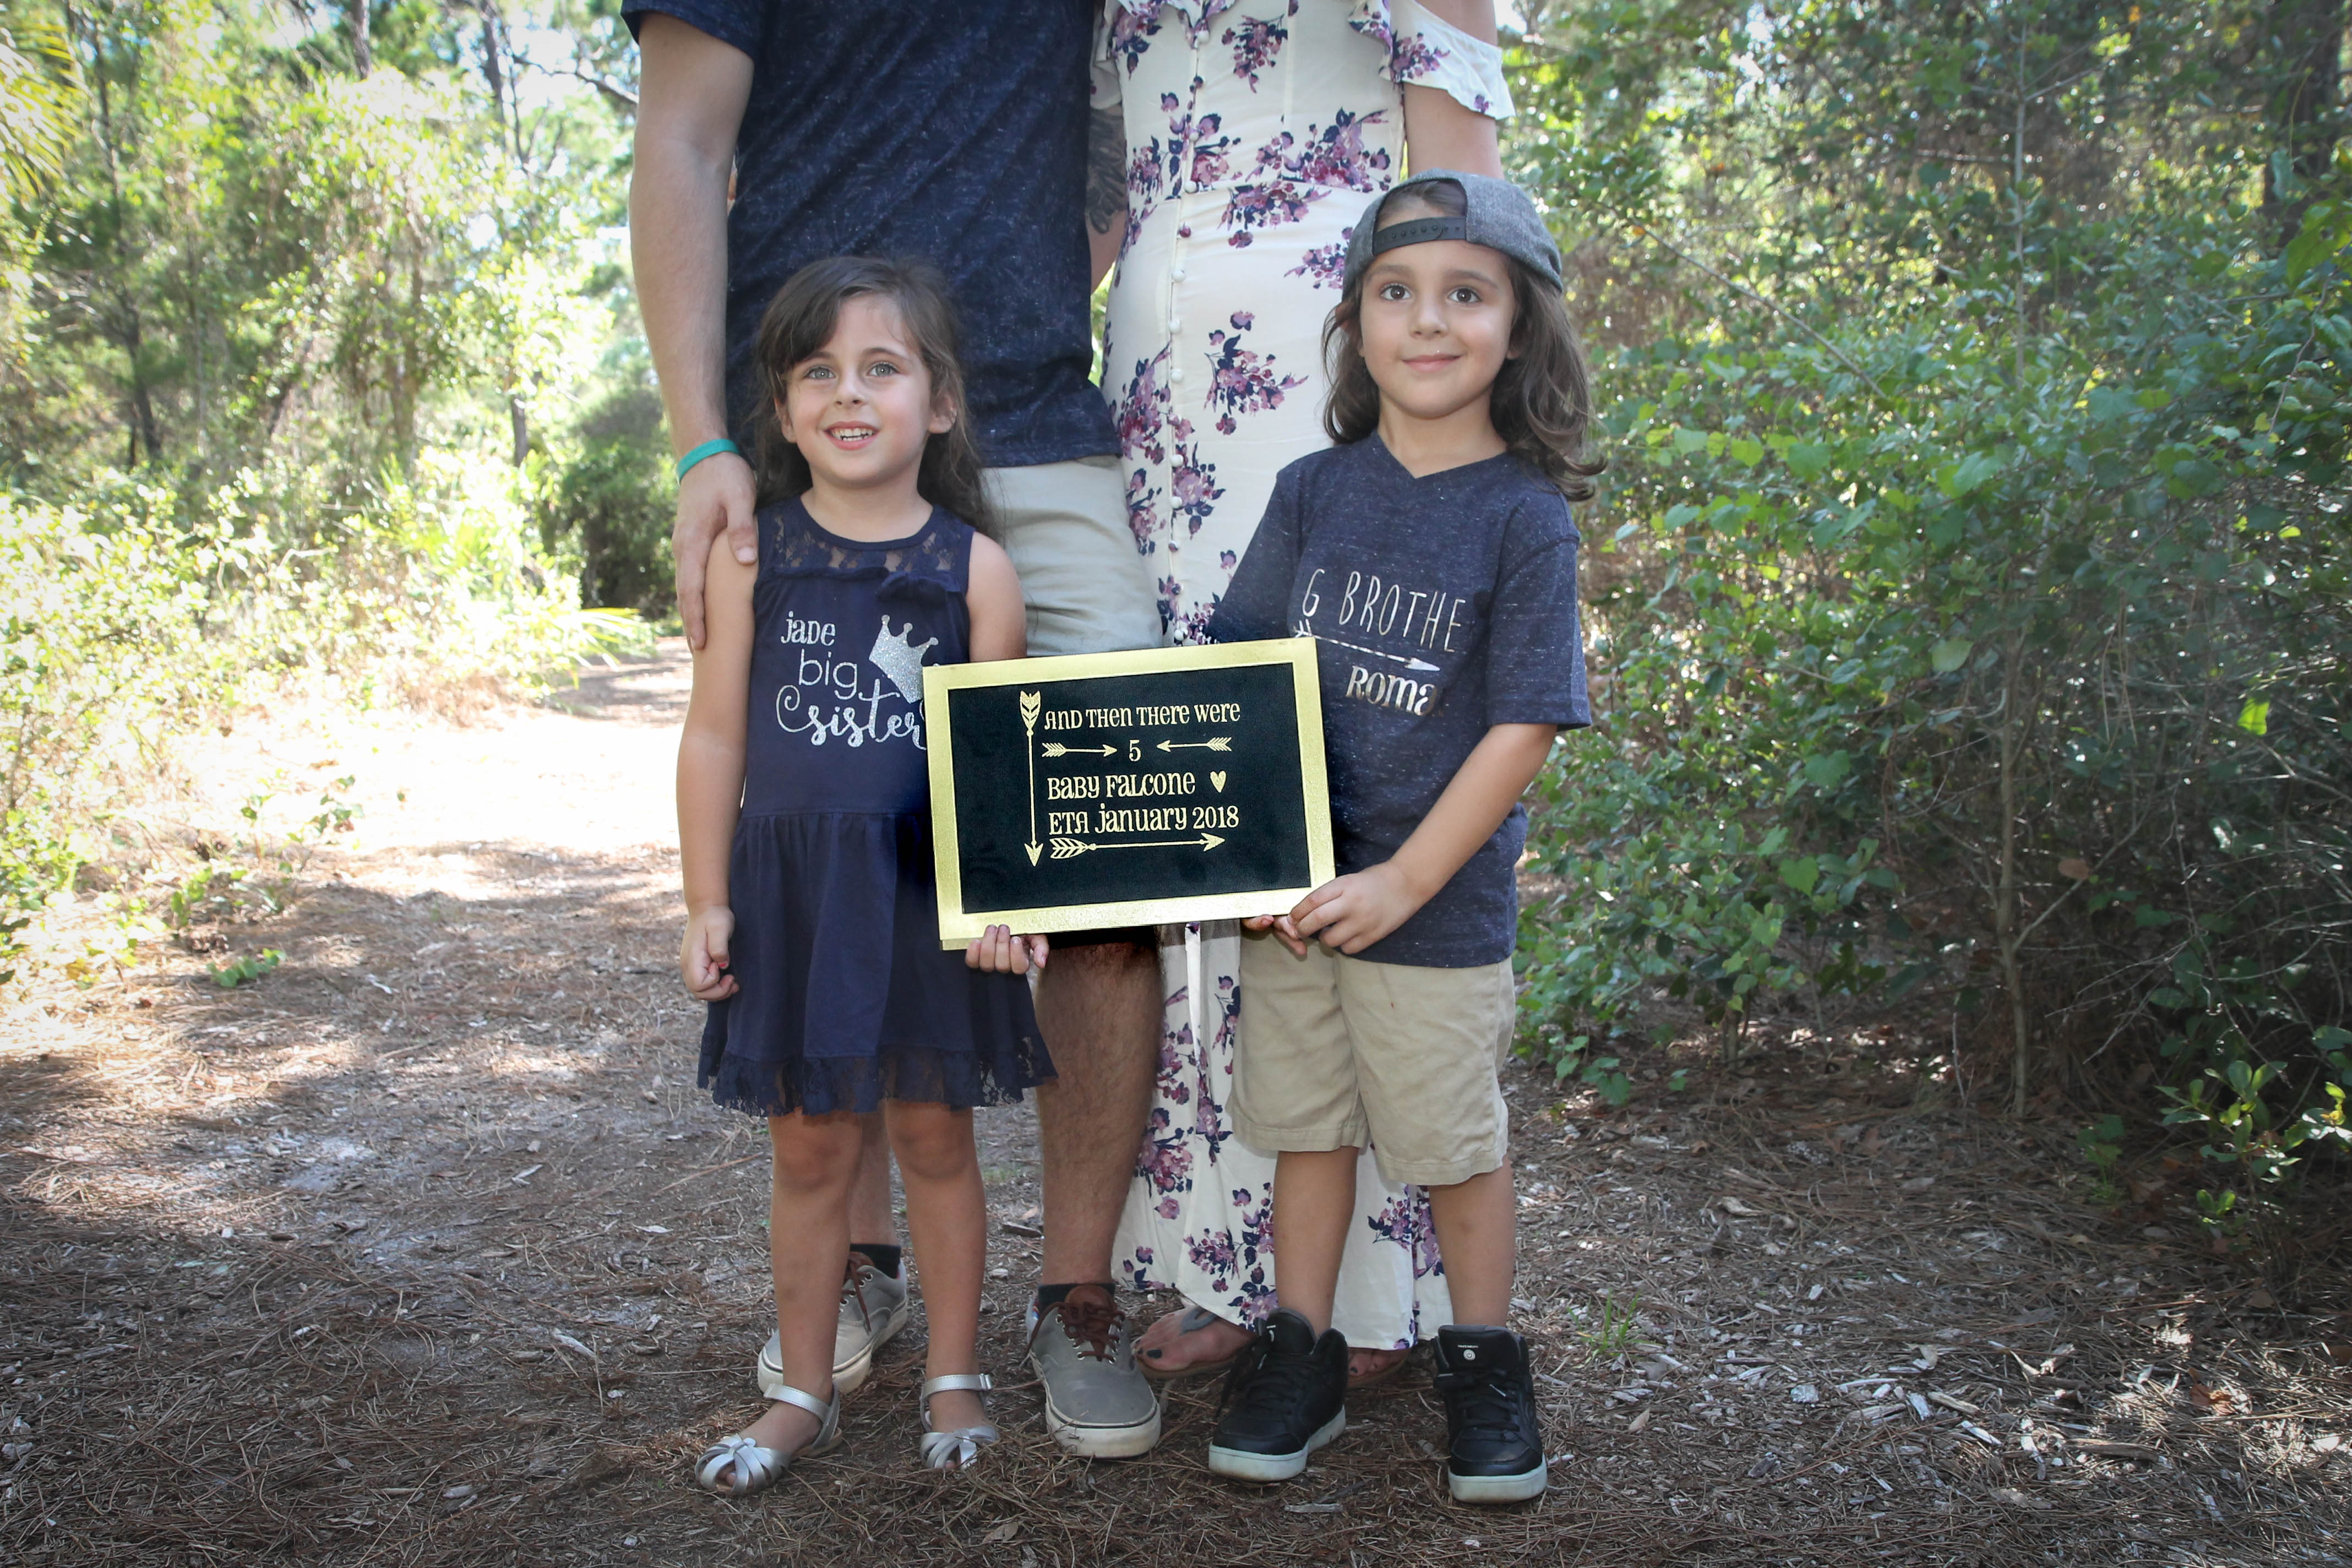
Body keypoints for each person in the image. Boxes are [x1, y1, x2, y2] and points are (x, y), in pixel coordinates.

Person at [628, 3, 1168, 1458]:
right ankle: (858, 1264)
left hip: (1041, 425)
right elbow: (680, 141)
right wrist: (703, 442)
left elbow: (1107, 152)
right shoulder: (811, 420)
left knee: (1103, 861)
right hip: (809, 451)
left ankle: (1074, 1294)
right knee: (836, 830)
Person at [1085, 0, 1518, 1385]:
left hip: (1330, 382)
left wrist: (1456, 449)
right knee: (1202, 804)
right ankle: (1234, 1260)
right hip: (1153, 405)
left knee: (1346, 782)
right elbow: (1100, 187)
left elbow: (1469, 196)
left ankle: (1372, 1295)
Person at [1198, 171, 1597, 1502]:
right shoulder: (1312, 491)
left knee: (1453, 1145)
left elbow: (1526, 724)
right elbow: (1238, 678)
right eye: (1396, 291)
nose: (1429, 319)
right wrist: (1249, 854)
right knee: (1306, 1129)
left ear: (1519, 329)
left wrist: (1406, 879)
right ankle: (1299, 1351)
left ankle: (1483, 1357)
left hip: (1438, 912)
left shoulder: (1525, 517)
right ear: (1357, 324)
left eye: (1466, 293)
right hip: (1299, 903)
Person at [675, 257, 1054, 1494]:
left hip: (920, 904)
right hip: (793, 904)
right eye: (817, 371)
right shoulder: (752, 556)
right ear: (783, 413)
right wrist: (706, 899)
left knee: (937, 1137)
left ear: (939, 404)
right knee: (809, 1151)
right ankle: (803, 1387)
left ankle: (954, 1373)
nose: (848, 392)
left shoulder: (974, 569)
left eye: (881, 367)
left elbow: (998, 760)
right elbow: (715, 735)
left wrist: (1002, 901)